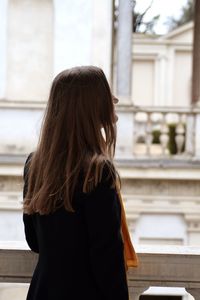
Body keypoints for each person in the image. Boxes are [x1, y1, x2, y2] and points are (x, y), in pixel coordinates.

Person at [22, 66, 129, 300]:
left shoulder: (35, 164)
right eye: (106, 94)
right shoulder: (98, 170)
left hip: (44, 292)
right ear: (93, 105)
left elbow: (34, 241)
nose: (115, 100)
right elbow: (107, 257)